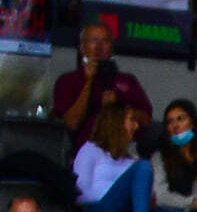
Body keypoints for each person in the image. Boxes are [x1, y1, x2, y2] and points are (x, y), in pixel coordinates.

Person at [53, 20, 149, 152]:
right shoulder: (68, 81)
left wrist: (119, 106)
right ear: (82, 47)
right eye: (93, 40)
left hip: (123, 152)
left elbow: (146, 120)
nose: (98, 47)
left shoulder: (127, 80)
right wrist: (88, 82)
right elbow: (72, 123)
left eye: (105, 41)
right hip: (85, 151)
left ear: (111, 47)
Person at [73, 102, 161, 212]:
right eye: (132, 120)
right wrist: (118, 194)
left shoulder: (132, 160)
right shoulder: (90, 150)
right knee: (143, 166)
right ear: (116, 122)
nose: (136, 126)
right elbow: (80, 194)